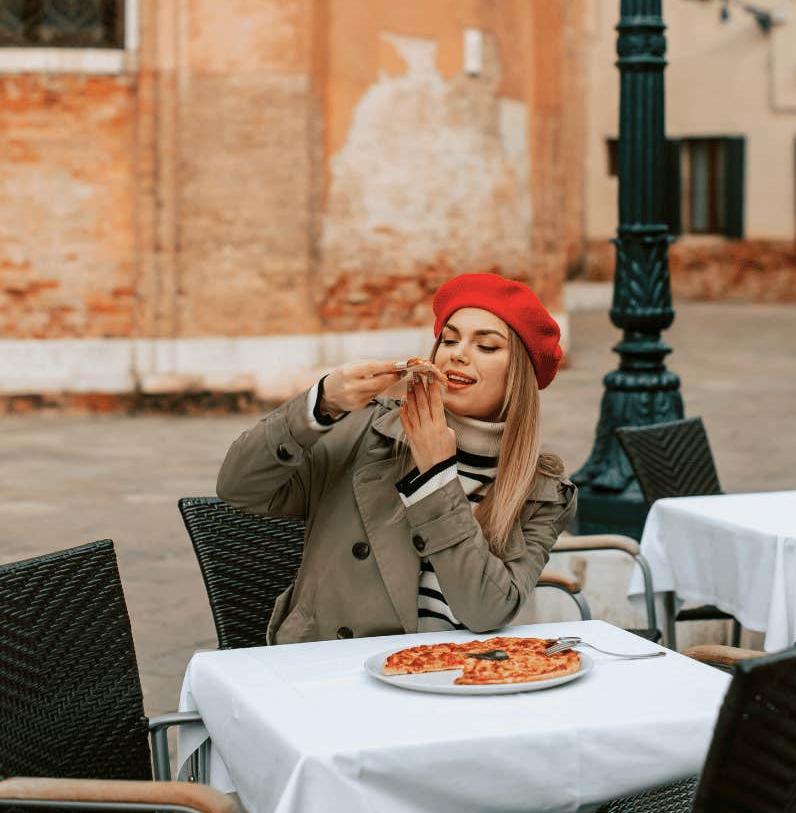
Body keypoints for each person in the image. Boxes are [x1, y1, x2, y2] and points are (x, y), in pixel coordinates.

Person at [216, 272, 577, 644]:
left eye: (486, 347)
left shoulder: (542, 492)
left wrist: (437, 477)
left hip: (457, 679)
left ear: (518, 375)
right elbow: (239, 487)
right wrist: (321, 403)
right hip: (332, 672)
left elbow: (485, 610)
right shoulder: (366, 430)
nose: (458, 353)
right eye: (449, 339)